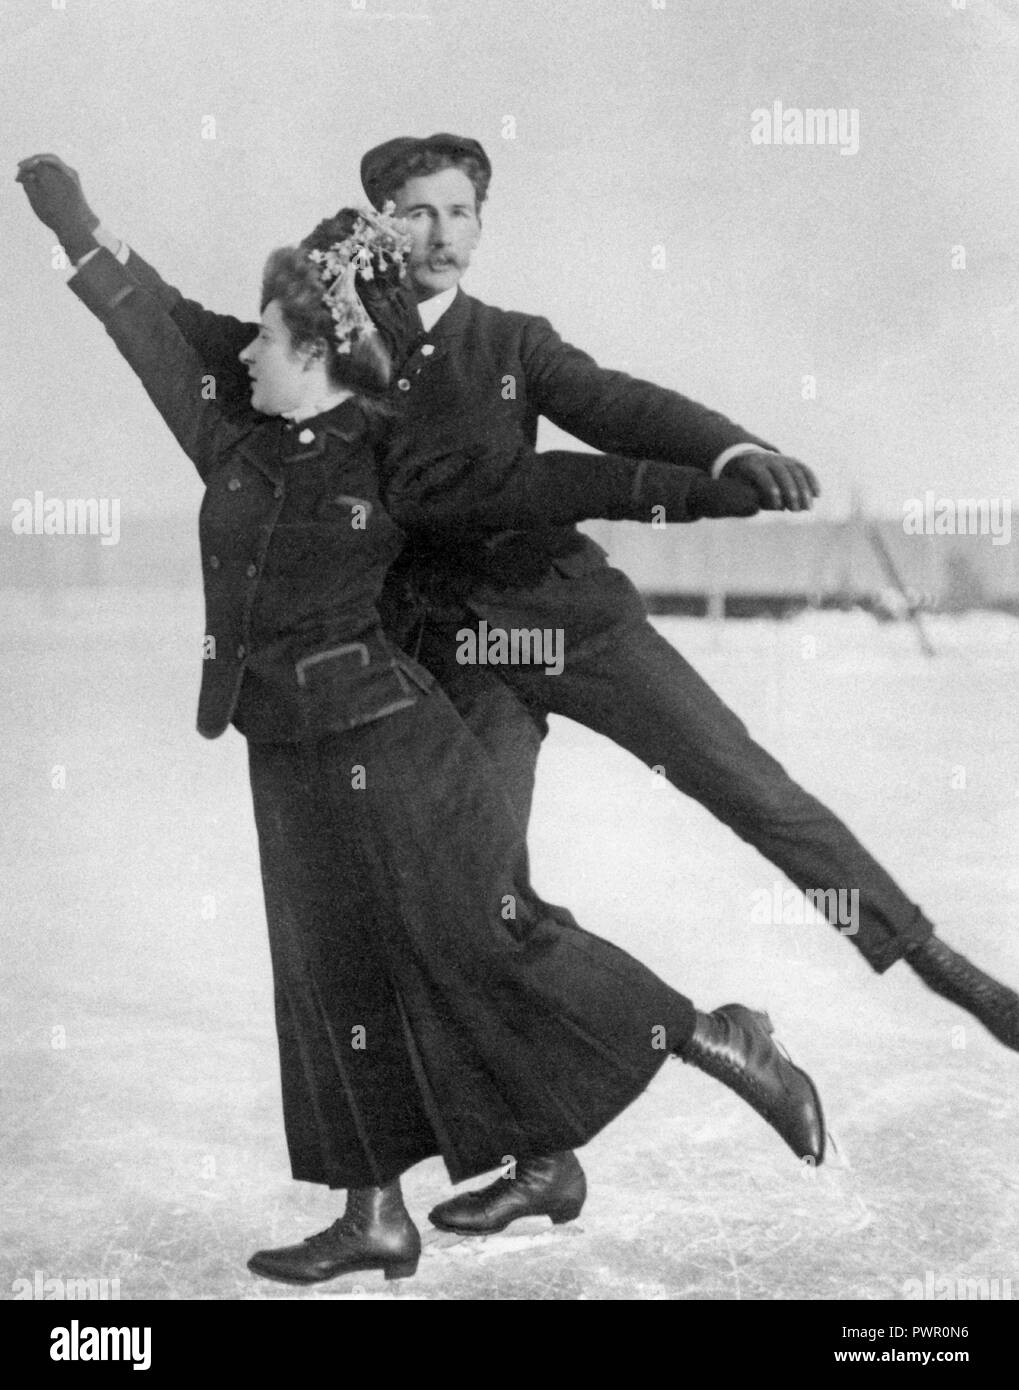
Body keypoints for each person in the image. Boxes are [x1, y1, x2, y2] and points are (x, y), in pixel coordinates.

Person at [17, 155, 826, 1284]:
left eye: (263, 336)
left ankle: (713, 1034)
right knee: (327, 975)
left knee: (493, 941)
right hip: (283, 744)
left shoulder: (402, 461)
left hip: (398, 743)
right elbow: (151, 324)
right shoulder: (228, 435)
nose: (237, 348)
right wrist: (82, 230)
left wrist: (710, 475)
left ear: (318, 351)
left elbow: (558, 485)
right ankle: (373, 1214)